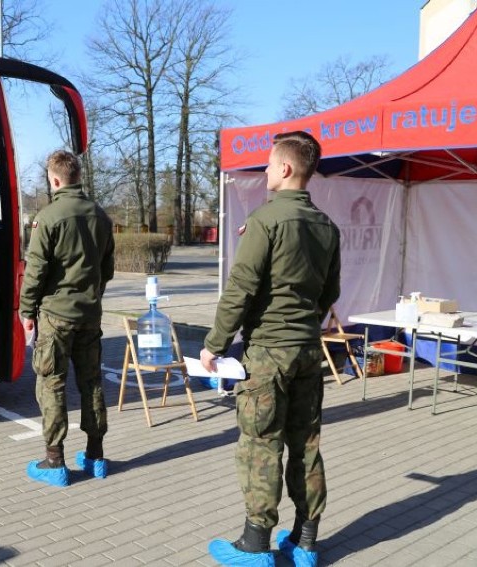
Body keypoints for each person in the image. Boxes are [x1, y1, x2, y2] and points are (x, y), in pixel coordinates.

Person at [200, 131, 340, 567]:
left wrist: (213, 345)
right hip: (306, 351)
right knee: (306, 444)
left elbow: (240, 289)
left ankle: (256, 543)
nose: (263, 170)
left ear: (284, 168)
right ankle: (306, 540)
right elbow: (328, 292)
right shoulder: (326, 226)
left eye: (267, 163)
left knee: (261, 444)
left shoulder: (265, 221)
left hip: (268, 352)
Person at [19, 149, 115, 487]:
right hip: (89, 315)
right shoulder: (101, 216)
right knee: (91, 383)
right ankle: (96, 455)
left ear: (55, 179)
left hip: (55, 316)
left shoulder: (49, 216)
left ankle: (54, 461)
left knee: (51, 383)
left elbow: (35, 273)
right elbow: (108, 270)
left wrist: (26, 311)